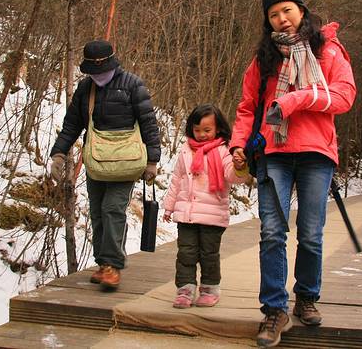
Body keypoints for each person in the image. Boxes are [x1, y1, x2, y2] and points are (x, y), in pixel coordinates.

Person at [229, 0, 356, 347]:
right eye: (274, 14)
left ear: (302, 10)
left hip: (317, 151)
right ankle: (274, 309)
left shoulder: (328, 50)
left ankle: (306, 297)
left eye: (287, 10)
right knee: (272, 231)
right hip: (274, 153)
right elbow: (248, 107)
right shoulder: (264, 59)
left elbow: (345, 96)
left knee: (311, 233)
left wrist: (296, 100)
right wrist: (238, 144)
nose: (282, 18)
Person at [49, 40, 160, 290]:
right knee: (98, 213)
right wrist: (59, 154)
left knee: (113, 209)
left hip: (127, 163)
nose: (98, 75)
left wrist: (152, 161)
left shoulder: (133, 85)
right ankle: (103, 263)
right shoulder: (85, 88)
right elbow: (72, 125)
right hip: (96, 162)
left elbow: (149, 124)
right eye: (93, 71)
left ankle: (112, 265)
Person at [162, 104, 248, 309]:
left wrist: (240, 166)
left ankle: (209, 289)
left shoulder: (224, 151)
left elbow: (233, 177)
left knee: (209, 254)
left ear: (218, 129)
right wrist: (169, 206)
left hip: (212, 215)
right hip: (187, 213)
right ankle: (185, 290)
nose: (201, 134)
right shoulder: (186, 150)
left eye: (207, 130)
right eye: (197, 130)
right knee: (186, 253)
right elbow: (177, 180)